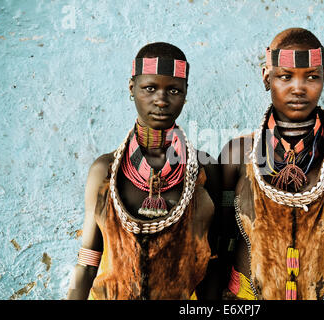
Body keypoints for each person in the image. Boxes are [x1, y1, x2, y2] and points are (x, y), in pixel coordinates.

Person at [219, 28, 324, 300]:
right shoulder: (238, 153)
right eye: (285, 76)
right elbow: (219, 244)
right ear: (267, 78)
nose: (298, 88)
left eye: (312, 77)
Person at [67, 42, 221, 300]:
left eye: (173, 90)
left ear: (185, 93)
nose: (161, 100)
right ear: (132, 88)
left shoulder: (204, 169)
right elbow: (88, 259)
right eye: (149, 88)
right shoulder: (105, 170)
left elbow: (214, 260)